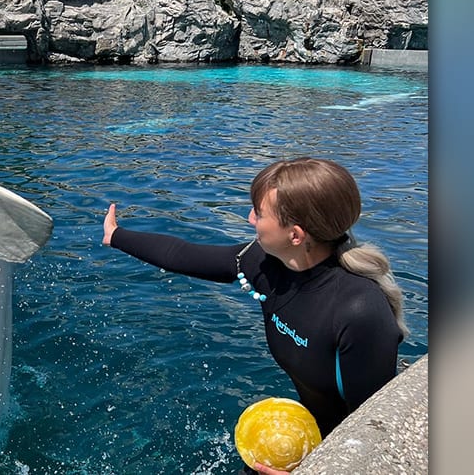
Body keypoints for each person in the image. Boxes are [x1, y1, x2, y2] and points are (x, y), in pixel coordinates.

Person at [102, 157, 407, 475]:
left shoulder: (359, 311)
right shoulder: (267, 264)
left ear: (296, 235)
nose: (249, 219)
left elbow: (375, 432)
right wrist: (116, 236)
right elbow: (185, 254)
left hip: (341, 457)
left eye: (259, 213)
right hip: (297, 444)